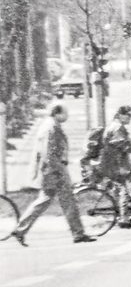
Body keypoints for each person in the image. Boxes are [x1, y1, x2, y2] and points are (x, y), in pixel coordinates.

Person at [7, 103, 95, 246]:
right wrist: (60, 170)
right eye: (65, 113)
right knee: (67, 202)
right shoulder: (51, 128)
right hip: (55, 171)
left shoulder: (49, 125)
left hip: (51, 170)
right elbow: (49, 153)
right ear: (57, 113)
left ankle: (20, 229)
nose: (67, 116)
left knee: (45, 201)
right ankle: (78, 233)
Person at [98, 105, 131, 228]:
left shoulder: (116, 126)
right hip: (115, 164)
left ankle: (127, 210)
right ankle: (124, 218)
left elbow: (130, 143)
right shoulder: (117, 128)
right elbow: (126, 146)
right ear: (120, 115)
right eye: (128, 115)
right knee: (125, 189)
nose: (130, 118)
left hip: (115, 163)